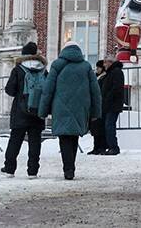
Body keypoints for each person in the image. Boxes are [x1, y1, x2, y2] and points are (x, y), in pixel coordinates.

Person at [37, 41, 101, 181]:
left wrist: (43, 111)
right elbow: (95, 91)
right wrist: (96, 112)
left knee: (64, 137)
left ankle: (68, 169)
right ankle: (71, 168)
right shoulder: (86, 67)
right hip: (81, 107)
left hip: (60, 107)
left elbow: (48, 90)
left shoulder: (56, 65)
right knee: (74, 136)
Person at [2, 41, 46, 177]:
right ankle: (33, 171)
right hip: (37, 110)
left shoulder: (18, 69)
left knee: (15, 140)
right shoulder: (43, 69)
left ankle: (9, 169)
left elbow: (10, 89)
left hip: (20, 110)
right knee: (35, 142)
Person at [98, 56, 124, 155]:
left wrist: (107, 98)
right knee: (107, 126)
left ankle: (114, 147)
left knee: (109, 126)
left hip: (113, 104)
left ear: (110, 63)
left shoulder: (116, 72)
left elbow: (116, 89)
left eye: (105, 63)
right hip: (109, 104)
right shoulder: (111, 73)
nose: (104, 65)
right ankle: (108, 146)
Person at [87, 60, 106, 155]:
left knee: (99, 127)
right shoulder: (96, 77)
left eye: (98, 67)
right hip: (94, 105)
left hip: (100, 105)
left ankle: (101, 147)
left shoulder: (104, 78)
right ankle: (96, 147)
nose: (97, 69)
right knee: (95, 128)